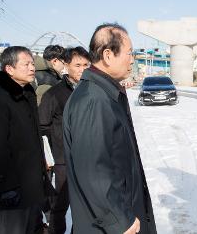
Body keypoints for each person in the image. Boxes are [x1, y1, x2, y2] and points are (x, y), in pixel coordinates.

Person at [63, 23, 157, 233]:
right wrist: (120, 220)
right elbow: (94, 171)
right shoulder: (93, 100)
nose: (132, 59)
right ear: (107, 55)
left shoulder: (105, 93)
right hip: (112, 225)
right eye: (129, 53)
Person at [39, 46, 90, 234]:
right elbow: (42, 128)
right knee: (59, 207)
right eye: (77, 65)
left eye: (86, 64)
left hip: (86, 159)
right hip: (62, 161)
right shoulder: (53, 94)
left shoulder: (90, 92)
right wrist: (48, 159)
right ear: (66, 65)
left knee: (85, 207)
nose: (82, 69)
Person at [0, 46, 50, 234]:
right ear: (9, 69)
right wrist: (7, 188)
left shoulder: (27, 92)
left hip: (31, 186)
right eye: (26, 64)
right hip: (11, 192)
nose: (32, 68)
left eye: (32, 63)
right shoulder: (2, 97)